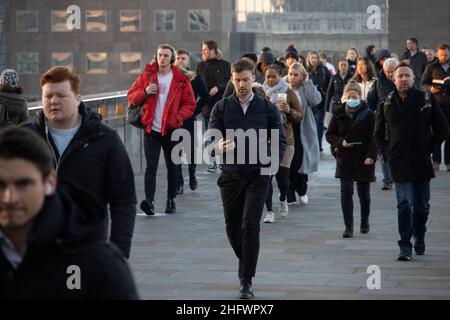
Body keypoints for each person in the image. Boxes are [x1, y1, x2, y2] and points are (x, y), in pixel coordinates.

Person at [0, 127, 139, 299]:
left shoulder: (99, 264)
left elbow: (124, 198)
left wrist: (121, 248)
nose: (9, 198)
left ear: (49, 182)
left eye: (23, 184)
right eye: (1, 185)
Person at [23, 66, 136, 259]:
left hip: (86, 250)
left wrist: (118, 254)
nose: (53, 101)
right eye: (48, 96)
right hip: (33, 252)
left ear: (77, 98)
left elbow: (123, 199)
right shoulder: (24, 139)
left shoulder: (103, 139)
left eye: (61, 95)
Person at [208, 59, 286, 299]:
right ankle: (246, 262)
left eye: (245, 79)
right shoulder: (221, 108)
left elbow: (280, 141)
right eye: (237, 79)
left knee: (250, 226)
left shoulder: (267, 108)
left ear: (254, 79)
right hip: (230, 176)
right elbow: (210, 142)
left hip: (258, 175)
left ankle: (246, 280)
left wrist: (272, 165)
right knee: (233, 229)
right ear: (232, 79)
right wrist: (217, 146)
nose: (241, 84)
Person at [374, 62, 449, 261]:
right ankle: (405, 245)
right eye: (400, 76)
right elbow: (378, 133)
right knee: (404, 204)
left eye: (407, 76)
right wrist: (386, 152)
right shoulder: (387, 101)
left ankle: (420, 234)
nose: (404, 79)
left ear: (413, 79)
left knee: (422, 206)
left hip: (421, 161)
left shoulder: (426, 98)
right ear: (394, 79)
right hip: (397, 162)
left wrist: (429, 146)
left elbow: (443, 128)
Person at [128, 44, 196, 215]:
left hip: (172, 129)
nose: (162, 58)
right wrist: (145, 91)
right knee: (151, 166)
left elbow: (190, 103)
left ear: (171, 58)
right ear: (156, 56)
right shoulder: (147, 76)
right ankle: (149, 202)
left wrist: (178, 117)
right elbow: (131, 96)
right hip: (152, 129)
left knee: (172, 166)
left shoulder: (180, 79)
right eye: (160, 55)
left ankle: (170, 200)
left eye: (166, 55)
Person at [326, 81, 377, 238]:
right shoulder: (338, 113)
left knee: (364, 194)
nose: (351, 99)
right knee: (346, 191)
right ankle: (348, 226)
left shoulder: (369, 115)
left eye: (354, 96)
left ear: (360, 97)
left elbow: (374, 137)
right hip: (345, 158)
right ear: (344, 97)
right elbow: (329, 134)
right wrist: (341, 142)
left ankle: (364, 221)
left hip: (363, 159)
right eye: (349, 96)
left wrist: (371, 156)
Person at [262, 64, 302, 222]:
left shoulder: (288, 92)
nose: (270, 79)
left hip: (285, 139)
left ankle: (284, 198)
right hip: (266, 139)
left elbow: (299, 115)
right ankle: (269, 211)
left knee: (282, 178)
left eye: (274, 76)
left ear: (280, 77)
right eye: (268, 76)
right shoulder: (260, 92)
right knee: (266, 176)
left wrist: (288, 111)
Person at [174, 49, 210, 194]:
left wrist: (194, 111)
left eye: (183, 58)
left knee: (190, 151)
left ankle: (192, 174)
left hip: (189, 119)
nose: (180, 60)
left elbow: (206, 97)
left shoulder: (194, 77)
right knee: (175, 152)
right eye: (177, 58)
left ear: (188, 61)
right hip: (173, 120)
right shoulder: (171, 76)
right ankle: (179, 182)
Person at [286, 63, 321, 205]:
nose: (292, 77)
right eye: (290, 74)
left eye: (296, 74)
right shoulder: (283, 86)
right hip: (286, 128)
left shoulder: (304, 88)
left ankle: (302, 189)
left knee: (299, 160)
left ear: (301, 76)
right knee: (287, 162)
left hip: (302, 128)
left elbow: (314, 100)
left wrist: (307, 82)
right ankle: (289, 194)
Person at [196, 40, 231, 172]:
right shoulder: (200, 66)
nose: (203, 52)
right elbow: (197, 83)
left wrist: (218, 87)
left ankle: (223, 161)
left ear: (213, 51)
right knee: (211, 133)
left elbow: (229, 81)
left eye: (205, 49)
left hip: (222, 104)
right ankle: (213, 162)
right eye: (202, 49)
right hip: (207, 106)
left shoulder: (225, 65)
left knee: (222, 134)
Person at [367, 58, 399, 191]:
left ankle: (397, 176)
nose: (390, 74)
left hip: (399, 123)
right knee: (383, 151)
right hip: (383, 123)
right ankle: (387, 180)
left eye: (393, 71)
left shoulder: (404, 80)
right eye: (388, 71)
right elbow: (370, 101)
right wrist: (377, 115)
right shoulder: (378, 83)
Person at [421, 44, 450, 172]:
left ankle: (449, 162)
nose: (444, 57)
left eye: (446, 55)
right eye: (442, 54)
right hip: (437, 104)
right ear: (438, 54)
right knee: (437, 132)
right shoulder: (431, 67)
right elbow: (423, 84)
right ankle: (436, 161)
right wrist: (430, 89)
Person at [306, 51, 331, 152]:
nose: (314, 60)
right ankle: (311, 144)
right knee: (310, 123)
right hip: (309, 101)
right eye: (312, 58)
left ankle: (318, 144)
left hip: (321, 100)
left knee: (319, 123)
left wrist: (325, 93)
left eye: (316, 58)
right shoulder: (306, 70)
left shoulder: (324, 69)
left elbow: (329, 84)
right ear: (309, 59)